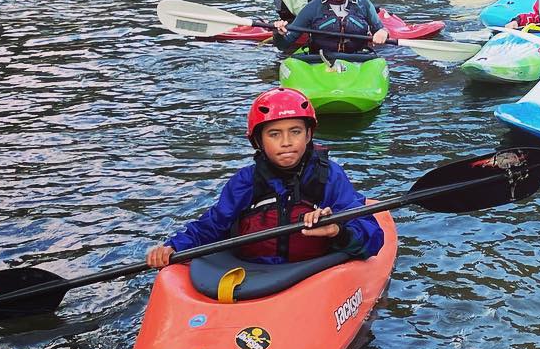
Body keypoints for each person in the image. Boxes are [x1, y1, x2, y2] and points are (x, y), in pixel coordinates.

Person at [146, 88, 384, 267]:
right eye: (274, 134)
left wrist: (337, 230)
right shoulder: (245, 182)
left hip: (313, 272)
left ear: (309, 134)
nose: (287, 142)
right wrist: (172, 247)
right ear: (258, 141)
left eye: (296, 131)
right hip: (253, 274)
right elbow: (212, 227)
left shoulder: (330, 176)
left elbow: (373, 239)